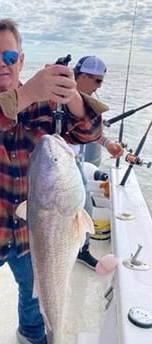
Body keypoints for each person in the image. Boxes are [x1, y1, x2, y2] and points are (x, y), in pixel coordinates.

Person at [0, 19, 107, 344]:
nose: (0, 64)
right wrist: (27, 92)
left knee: (33, 304)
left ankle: (33, 337)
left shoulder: (47, 106)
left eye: (8, 56)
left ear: (21, 59)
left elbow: (91, 133)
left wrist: (71, 96)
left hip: (32, 239)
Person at [73, 56, 124, 269]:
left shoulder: (88, 104)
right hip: (57, 166)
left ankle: (81, 250)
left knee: (84, 208)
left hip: (75, 162)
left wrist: (108, 143)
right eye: (98, 81)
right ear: (83, 77)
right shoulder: (58, 97)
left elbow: (93, 133)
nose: (100, 86)